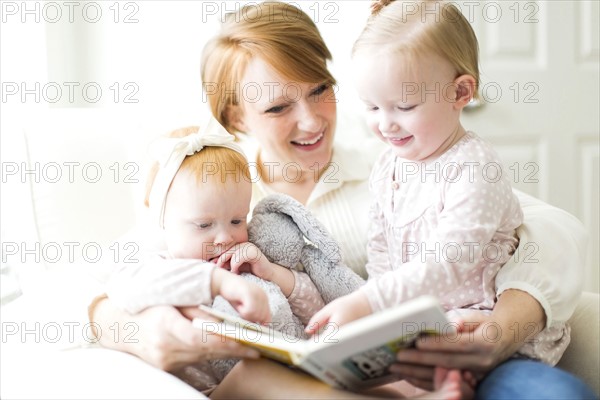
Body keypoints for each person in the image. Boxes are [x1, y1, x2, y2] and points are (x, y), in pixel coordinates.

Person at [90, 1, 590, 398]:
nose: (311, 121)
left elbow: (553, 230)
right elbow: (102, 282)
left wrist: (501, 330)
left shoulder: (394, 152)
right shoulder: (214, 193)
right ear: (235, 117)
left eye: (320, 89)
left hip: (443, 348)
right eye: (279, 105)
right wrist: (136, 330)